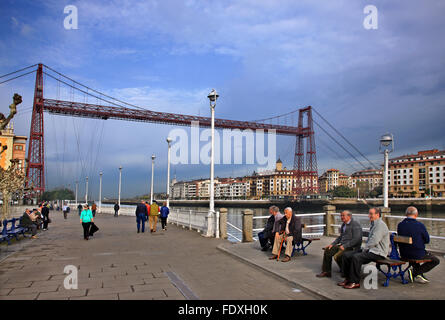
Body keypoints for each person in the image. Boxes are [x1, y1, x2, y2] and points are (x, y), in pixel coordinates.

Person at [339, 207, 390, 289]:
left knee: (356, 257)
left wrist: (364, 249)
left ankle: (354, 282)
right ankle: (347, 278)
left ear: (377, 215)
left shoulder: (380, 225)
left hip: (378, 252)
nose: (369, 215)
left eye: (371, 214)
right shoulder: (374, 224)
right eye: (369, 213)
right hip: (371, 250)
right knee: (346, 255)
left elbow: (374, 241)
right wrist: (364, 249)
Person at [397, 206, 440, 284]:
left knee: (414, 251)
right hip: (416, 254)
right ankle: (415, 272)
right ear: (416, 214)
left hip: (404, 254)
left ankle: (419, 274)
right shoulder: (420, 225)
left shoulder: (400, 225)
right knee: (436, 260)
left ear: (406, 214)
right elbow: (427, 240)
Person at [316, 210, 363, 278]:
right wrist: (332, 244)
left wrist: (345, 246)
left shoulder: (355, 224)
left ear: (349, 216)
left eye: (343, 215)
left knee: (337, 256)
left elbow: (357, 239)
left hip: (352, 247)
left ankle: (346, 271)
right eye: (341, 215)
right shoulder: (344, 224)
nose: (341, 217)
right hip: (342, 245)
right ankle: (326, 271)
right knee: (328, 250)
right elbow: (340, 237)